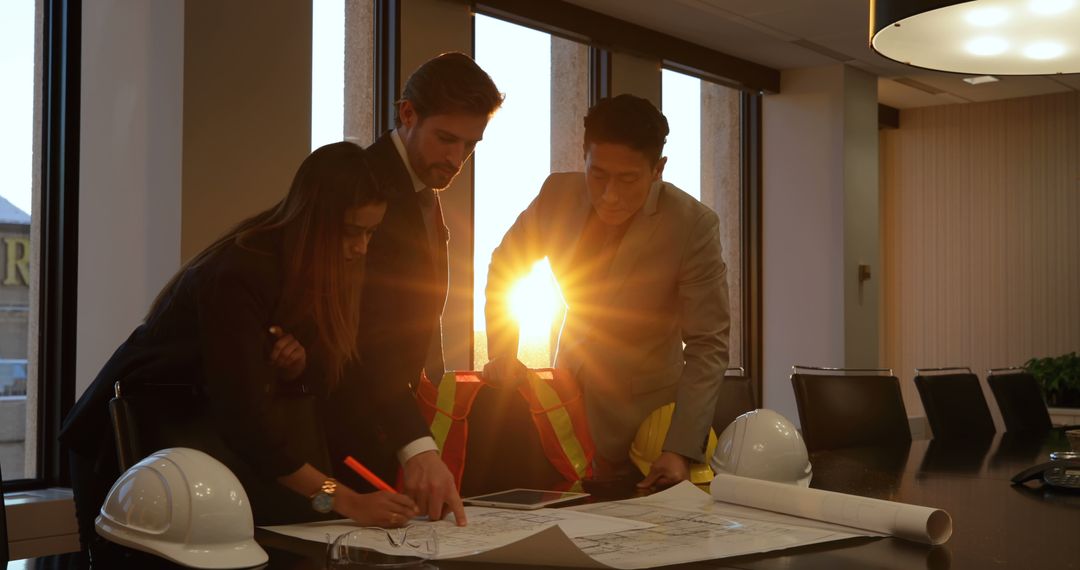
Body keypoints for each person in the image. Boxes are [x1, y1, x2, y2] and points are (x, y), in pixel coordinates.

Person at [61, 142, 420, 548]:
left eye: (371, 232)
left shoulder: (318, 268)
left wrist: (299, 364)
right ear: (315, 220)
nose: (362, 248)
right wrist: (348, 500)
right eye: (353, 232)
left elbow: (331, 374)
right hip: (128, 447)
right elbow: (246, 423)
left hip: (201, 444)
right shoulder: (240, 272)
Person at [483, 94, 730, 488]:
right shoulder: (556, 195)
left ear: (657, 170)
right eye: (598, 175)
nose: (610, 194)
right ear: (583, 157)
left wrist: (679, 447)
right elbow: (505, 264)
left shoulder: (692, 226)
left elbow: (708, 344)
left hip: (644, 432)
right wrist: (503, 351)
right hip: (561, 407)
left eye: (628, 179)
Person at [334, 52, 502, 523]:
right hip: (340, 426)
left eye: (470, 146)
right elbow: (370, 338)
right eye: (446, 139)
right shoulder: (367, 188)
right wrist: (417, 447)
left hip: (384, 421)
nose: (456, 159)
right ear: (407, 113)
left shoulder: (421, 191)